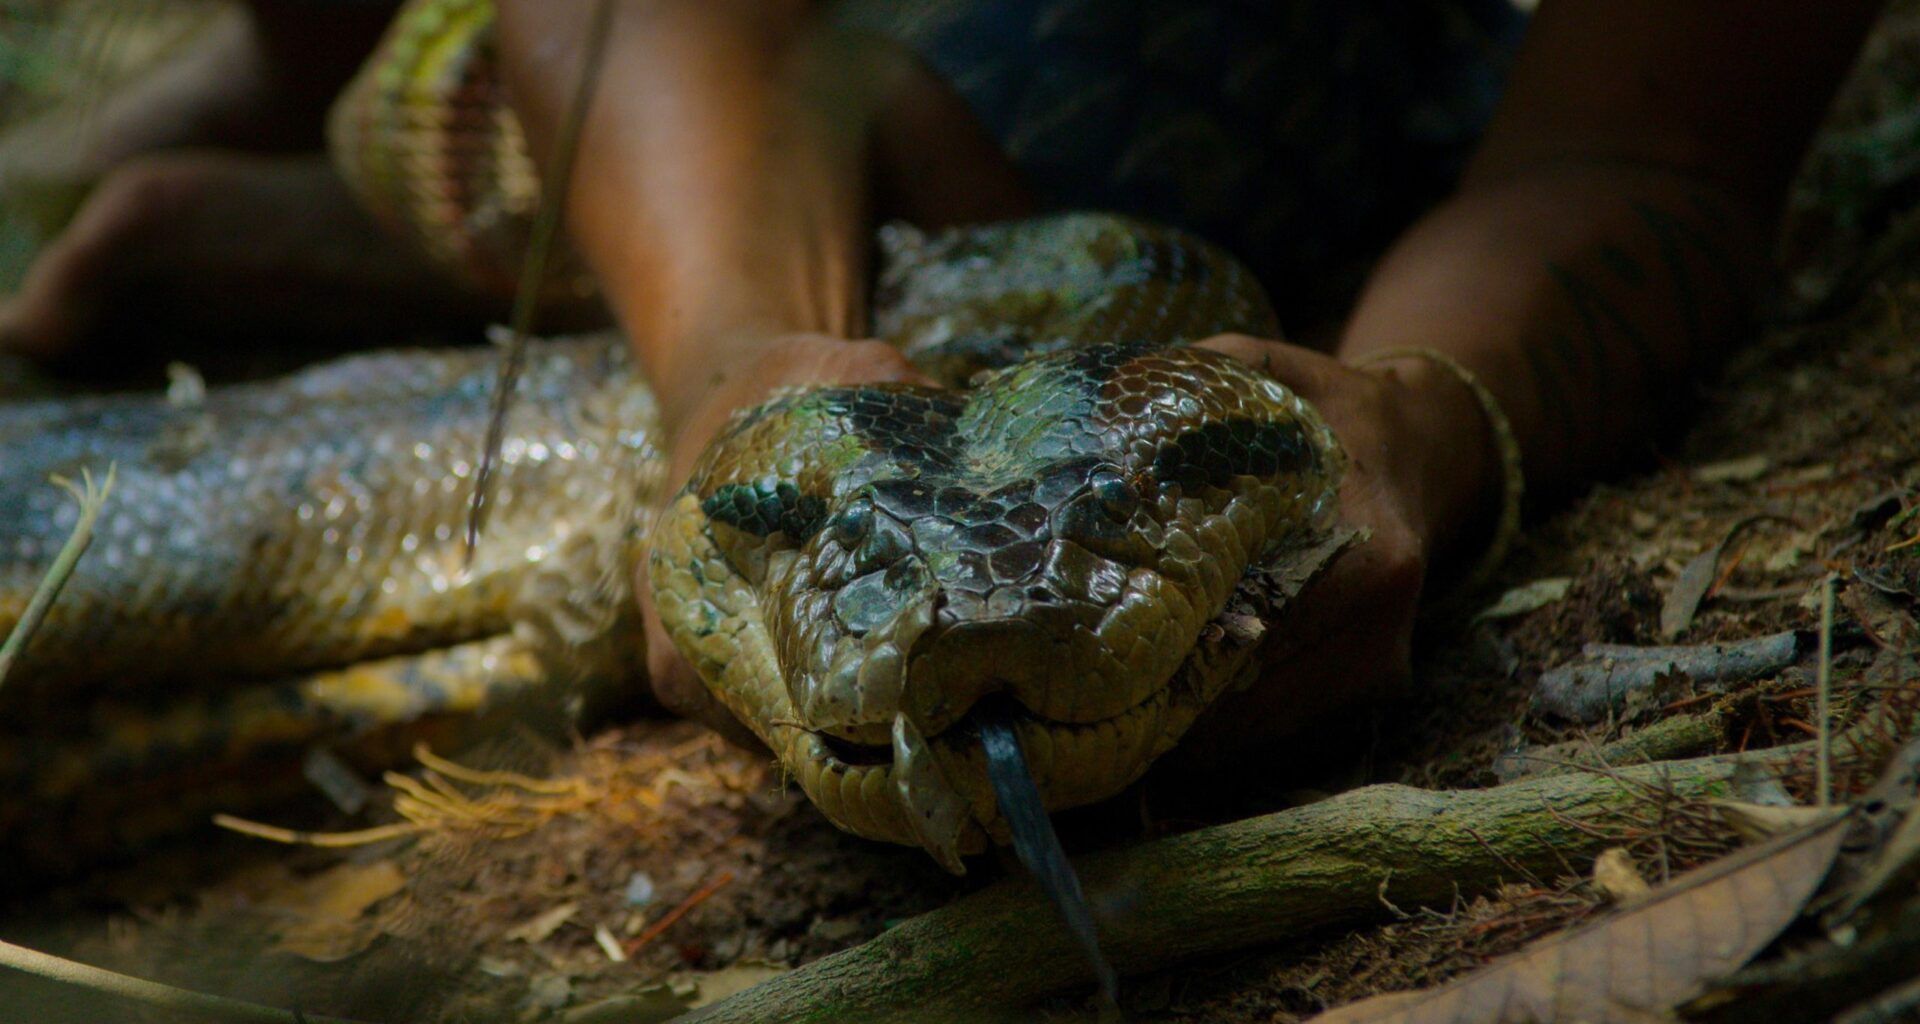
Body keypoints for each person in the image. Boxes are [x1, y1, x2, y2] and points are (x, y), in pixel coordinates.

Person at [0, 1, 1887, 762]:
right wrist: (733, 365)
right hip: (707, 69)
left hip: (1280, 100)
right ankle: (304, 115)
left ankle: (317, 207)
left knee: (1117, 201)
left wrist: (1421, 415)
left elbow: (1649, 153)